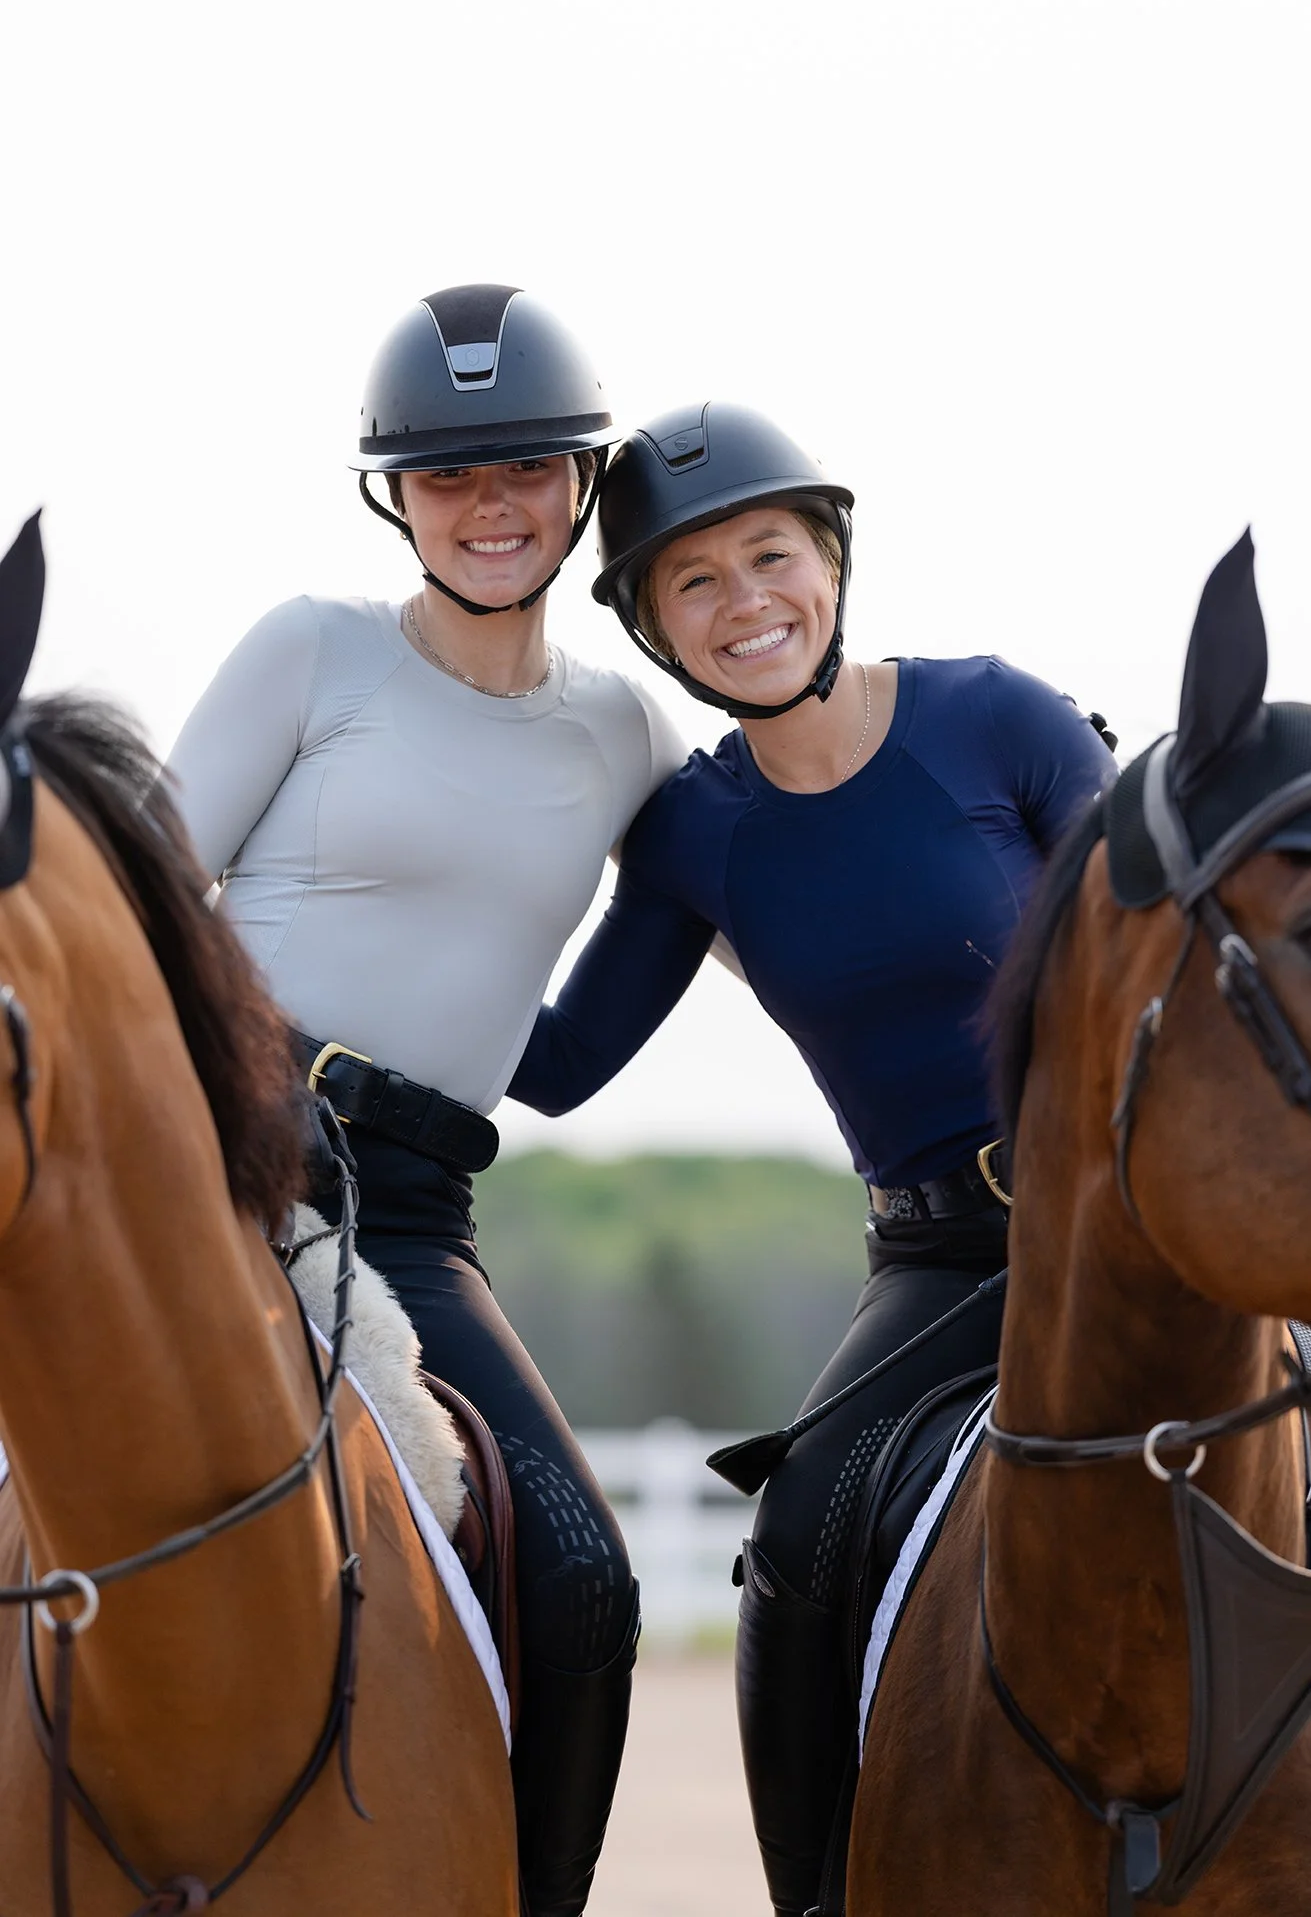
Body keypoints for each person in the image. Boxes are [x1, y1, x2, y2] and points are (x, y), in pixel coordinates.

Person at [506, 401, 1117, 1917]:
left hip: (1123, 1222)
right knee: (798, 1519)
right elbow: (564, 1063)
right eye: (692, 583)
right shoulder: (696, 834)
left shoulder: (1002, 720)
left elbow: (1147, 955)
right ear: (652, 627)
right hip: (935, 1258)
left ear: (830, 563)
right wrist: (402, 946)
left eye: (768, 556)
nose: (744, 602)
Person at [165, 286, 685, 1917]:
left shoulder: (624, 731)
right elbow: (148, 896)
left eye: (525, 467)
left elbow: (762, 918)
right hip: (221, 1156)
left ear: (581, 486)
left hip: (421, 1217)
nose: (489, 506)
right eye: (447, 475)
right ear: (394, 494)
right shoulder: (308, 649)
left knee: (584, 1576)